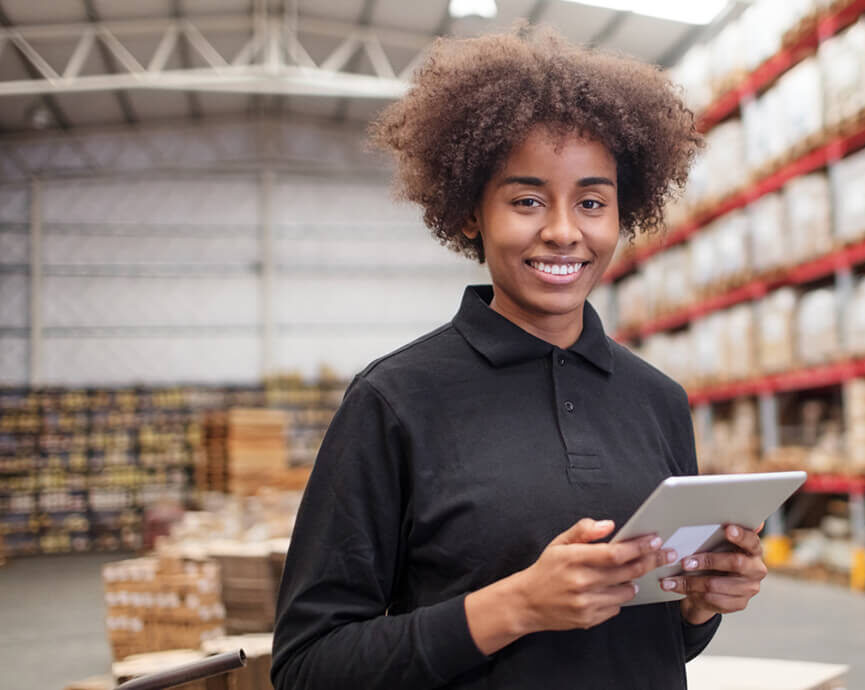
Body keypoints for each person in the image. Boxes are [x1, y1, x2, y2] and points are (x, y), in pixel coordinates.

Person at [271, 25, 769, 689]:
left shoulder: (658, 401)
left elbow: (654, 647)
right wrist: (516, 607)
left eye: (592, 202)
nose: (564, 231)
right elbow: (309, 666)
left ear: (624, 213)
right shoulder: (394, 401)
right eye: (527, 200)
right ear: (471, 212)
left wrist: (700, 608)